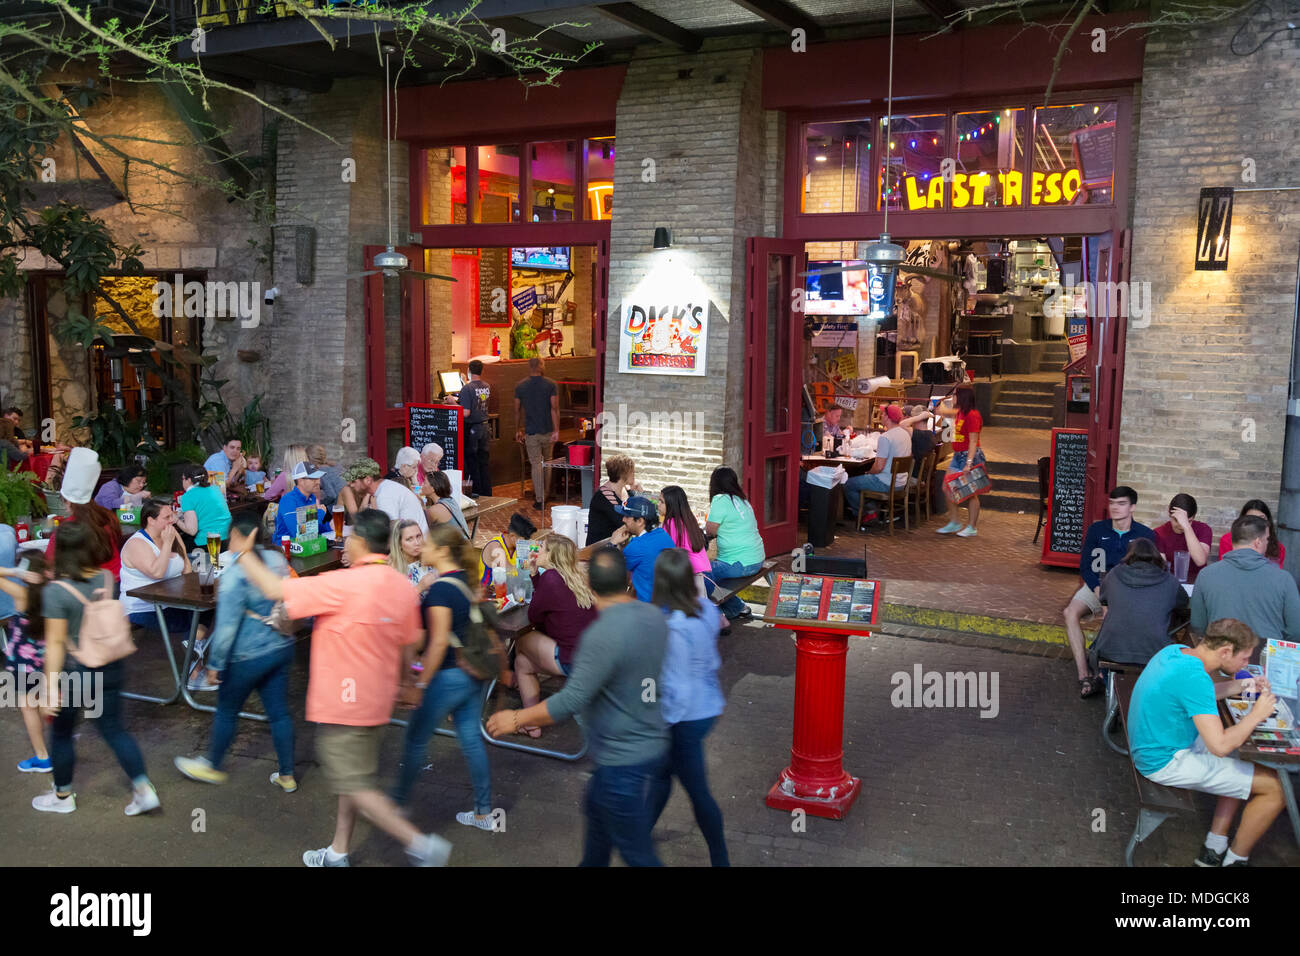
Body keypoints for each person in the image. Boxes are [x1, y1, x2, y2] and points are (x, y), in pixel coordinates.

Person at [238, 508, 450, 867]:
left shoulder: (342, 582)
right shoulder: (400, 584)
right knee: (354, 779)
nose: (343, 542)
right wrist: (406, 683)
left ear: (362, 542)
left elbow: (274, 588)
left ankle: (421, 845)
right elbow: (408, 642)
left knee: (353, 784)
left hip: (343, 705)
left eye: (348, 536)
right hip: (378, 702)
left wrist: (243, 552)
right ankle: (338, 852)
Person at [486, 547, 669, 866]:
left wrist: (516, 717)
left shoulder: (602, 635)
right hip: (647, 749)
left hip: (621, 762)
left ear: (592, 586)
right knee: (597, 845)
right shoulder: (651, 616)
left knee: (637, 855)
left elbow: (571, 699)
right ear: (626, 579)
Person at [1129, 618, 1286, 867]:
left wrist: (1246, 684)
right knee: (1277, 788)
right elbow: (1220, 746)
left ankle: (1214, 846)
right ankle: (1236, 860)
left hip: (1156, 743)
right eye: (1245, 658)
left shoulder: (1175, 652)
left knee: (1238, 754)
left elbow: (1203, 695)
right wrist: (1257, 715)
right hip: (1163, 761)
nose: (1247, 664)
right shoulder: (1195, 678)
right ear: (1225, 651)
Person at [34, 520, 161, 816]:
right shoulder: (105, 577)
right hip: (111, 663)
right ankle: (143, 790)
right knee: (115, 730)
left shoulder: (56, 592)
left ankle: (63, 796)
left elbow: (54, 644)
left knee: (62, 734)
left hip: (76, 673)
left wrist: (50, 687)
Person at [173, 511, 296, 792]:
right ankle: (287, 774)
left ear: (241, 537)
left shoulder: (235, 574)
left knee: (227, 710)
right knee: (279, 713)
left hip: (247, 654)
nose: (229, 542)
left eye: (232, 537)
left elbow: (227, 625)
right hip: (280, 645)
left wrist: (214, 664)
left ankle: (213, 765)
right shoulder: (277, 559)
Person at [391, 523, 495, 831]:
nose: (421, 547)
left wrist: (420, 683)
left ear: (442, 552)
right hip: (472, 673)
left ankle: (395, 807)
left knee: (415, 739)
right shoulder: (464, 581)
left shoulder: (439, 590)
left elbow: (436, 641)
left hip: (448, 676)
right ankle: (483, 812)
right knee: (471, 738)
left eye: (427, 544)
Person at [647, 548, 729, 866]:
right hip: (707, 704)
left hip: (685, 717)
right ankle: (638, 833)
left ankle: (721, 859)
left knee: (697, 791)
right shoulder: (706, 609)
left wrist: (664, 723)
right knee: (662, 775)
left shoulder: (672, 628)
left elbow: (676, 688)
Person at [1064, 486, 1156, 698]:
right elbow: (1086, 565)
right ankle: (1083, 673)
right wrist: (1096, 587)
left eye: (1121, 503)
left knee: (1109, 617)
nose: (1115, 508)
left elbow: (1149, 569)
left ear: (1132, 507)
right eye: (1112, 503)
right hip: (1097, 585)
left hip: (1126, 592)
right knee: (1070, 613)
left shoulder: (1145, 535)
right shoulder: (1098, 530)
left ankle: (1102, 673)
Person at [121, 498, 212, 691]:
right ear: (150, 520)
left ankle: (194, 646)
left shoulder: (171, 535)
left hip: (172, 601)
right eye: (167, 517)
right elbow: (156, 572)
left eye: (172, 515)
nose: (172, 520)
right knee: (193, 617)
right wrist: (167, 543)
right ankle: (194, 672)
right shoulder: (137, 544)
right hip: (142, 606)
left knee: (208, 607)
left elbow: (186, 567)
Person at [514, 533, 599, 737]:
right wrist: (535, 575)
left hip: (573, 660)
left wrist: (536, 578)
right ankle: (530, 722)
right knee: (522, 663)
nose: (537, 550)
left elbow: (535, 615)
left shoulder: (551, 578)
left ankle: (530, 720)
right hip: (593, 658)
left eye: (541, 547)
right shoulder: (576, 576)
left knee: (522, 640)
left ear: (552, 555)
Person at [1191, 514, 1300, 656]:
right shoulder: (1284, 579)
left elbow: (1198, 626)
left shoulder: (1205, 575)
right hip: (1265, 661)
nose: (1268, 543)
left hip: (1221, 658)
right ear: (1257, 542)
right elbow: (1295, 631)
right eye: (1267, 539)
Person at [1089, 539, 1190, 670]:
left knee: (1094, 649)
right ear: (1156, 556)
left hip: (1111, 648)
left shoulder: (1113, 574)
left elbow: (1104, 599)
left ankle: (1101, 680)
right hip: (1155, 652)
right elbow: (1183, 604)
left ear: (1129, 555)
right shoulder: (1170, 581)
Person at [0, 553, 53, 773]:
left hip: (23, 662)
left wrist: (14, 572)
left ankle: (42, 756)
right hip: (48, 658)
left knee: (28, 706)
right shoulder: (53, 592)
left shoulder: (21, 594)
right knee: (41, 701)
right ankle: (55, 738)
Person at [44, 448, 122, 580]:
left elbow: (49, 565)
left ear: (68, 501)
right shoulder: (108, 517)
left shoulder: (67, 528)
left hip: (88, 587)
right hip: (116, 581)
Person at [704, 467, 766, 625]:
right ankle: (736, 608)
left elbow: (710, 530)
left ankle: (716, 617)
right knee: (715, 576)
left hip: (738, 564)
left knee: (701, 575)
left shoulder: (720, 499)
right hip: (757, 559)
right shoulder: (743, 500)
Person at [844, 404, 913, 523]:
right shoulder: (905, 434)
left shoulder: (885, 437)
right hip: (901, 481)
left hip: (886, 483)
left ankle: (865, 515)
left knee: (848, 483)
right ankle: (871, 510)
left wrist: (867, 472)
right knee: (863, 481)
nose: (881, 416)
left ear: (887, 417)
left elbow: (879, 467)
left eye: (883, 414)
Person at [934, 386, 984, 536]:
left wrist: (969, 463)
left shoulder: (972, 415)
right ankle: (955, 522)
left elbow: (973, 441)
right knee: (947, 487)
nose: (953, 398)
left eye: (955, 395)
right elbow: (942, 411)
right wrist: (938, 402)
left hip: (969, 456)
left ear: (962, 397)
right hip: (958, 456)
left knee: (971, 493)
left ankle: (972, 527)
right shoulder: (960, 412)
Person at [515, 357, 560, 512]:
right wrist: (556, 430)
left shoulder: (520, 386)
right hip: (547, 431)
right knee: (547, 462)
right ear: (541, 366)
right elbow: (554, 408)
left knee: (536, 464)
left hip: (531, 432)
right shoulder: (551, 385)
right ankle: (546, 495)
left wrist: (517, 429)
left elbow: (517, 410)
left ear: (529, 367)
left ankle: (540, 499)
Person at [610, 496, 675, 602]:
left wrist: (612, 543)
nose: (623, 519)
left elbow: (612, 575)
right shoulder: (664, 535)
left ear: (640, 521)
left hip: (648, 609)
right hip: (669, 605)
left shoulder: (636, 546)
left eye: (627, 516)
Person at [342, 457, 428, 533]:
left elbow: (388, 534)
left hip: (415, 548)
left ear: (368, 480)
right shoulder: (385, 488)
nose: (351, 485)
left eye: (354, 481)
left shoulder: (385, 494)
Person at [1150, 493, 1213, 584]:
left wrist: (1187, 527)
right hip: (1171, 584)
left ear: (1194, 516)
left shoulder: (1204, 529)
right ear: (1169, 513)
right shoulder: (1159, 533)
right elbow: (1161, 569)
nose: (1181, 525)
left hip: (1198, 584)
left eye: (1189, 521)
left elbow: (1200, 561)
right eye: (1176, 520)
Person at [660, 485, 710, 599]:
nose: (658, 504)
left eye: (661, 502)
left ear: (671, 504)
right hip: (698, 571)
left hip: (686, 573)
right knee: (701, 605)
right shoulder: (688, 519)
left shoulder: (669, 523)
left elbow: (667, 552)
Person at [585, 454, 638, 548]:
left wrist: (640, 492)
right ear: (623, 474)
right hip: (600, 549)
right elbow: (626, 523)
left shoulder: (625, 490)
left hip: (617, 546)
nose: (634, 474)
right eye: (632, 472)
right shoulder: (604, 495)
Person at [458, 359, 493, 498]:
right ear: (482, 370)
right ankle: (487, 493)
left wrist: (453, 404)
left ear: (469, 370)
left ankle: (477, 493)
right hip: (485, 428)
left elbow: (466, 412)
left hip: (472, 429)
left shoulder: (467, 389)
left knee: (472, 462)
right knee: (484, 462)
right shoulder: (486, 386)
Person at [177, 464, 233, 548]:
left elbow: (192, 530)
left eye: (183, 479)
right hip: (230, 537)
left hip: (209, 542)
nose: (182, 482)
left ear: (188, 480)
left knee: (179, 545)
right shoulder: (215, 488)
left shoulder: (187, 496)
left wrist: (176, 520)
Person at [273, 462, 330, 544]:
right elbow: (299, 533)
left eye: (318, 478)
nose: (318, 482)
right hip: (285, 549)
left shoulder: (311, 498)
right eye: (313, 478)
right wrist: (320, 513)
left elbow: (313, 529)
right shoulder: (288, 500)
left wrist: (330, 526)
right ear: (300, 481)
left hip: (305, 547)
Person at [1217, 499, 1287, 566]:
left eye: (1261, 518)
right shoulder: (1227, 540)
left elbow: (1275, 574)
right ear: (1242, 520)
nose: (1257, 523)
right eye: (1251, 518)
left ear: (1268, 521)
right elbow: (1225, 568)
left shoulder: (1278, 548)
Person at [479, 512, 536, 589]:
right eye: (525, 540)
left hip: (509, 591)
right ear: (512, 536)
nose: (527, 543)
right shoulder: (495, 547)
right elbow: (511, 574)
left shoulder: (518, 545)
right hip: (487, 593)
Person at [389, 518, 436, 591]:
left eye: (418, 536)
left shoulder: (431, 558)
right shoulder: (392, 569)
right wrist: (419, 588)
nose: (417, 543)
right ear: (399, 544)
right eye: (409, 539)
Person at [425, 471, 469, 538]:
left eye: (424, 483)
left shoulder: (435, 510)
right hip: (464, 544)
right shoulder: (451, 500)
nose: (422, 485)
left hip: (455, 547)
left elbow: (424, 530)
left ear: (433, 488)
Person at [307, 444, 344, 509]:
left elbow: (331, 495)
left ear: (310, 459)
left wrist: (317, 503)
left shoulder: (321, 472)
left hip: (338, 510)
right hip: (348, 504)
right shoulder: (336, 466)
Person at [908, 404, 937, 477]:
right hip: (922, 476)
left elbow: (902, 425)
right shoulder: (930, 434)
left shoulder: (917, 434)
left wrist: (918, 417)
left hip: (912, 476)